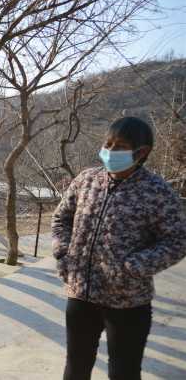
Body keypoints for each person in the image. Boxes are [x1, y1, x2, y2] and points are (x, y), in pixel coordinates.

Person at [52, 116, 186, 380]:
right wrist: (63, 252)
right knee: (76, 366)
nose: (110, 151)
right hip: (81, 294)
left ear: (142, 151)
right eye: (108, 143)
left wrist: (135, 267)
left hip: (127, 302)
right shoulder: (87, 180)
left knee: (123, 372)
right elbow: (61, 218)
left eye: (119, 146)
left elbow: (178, 239)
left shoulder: (156, 192)